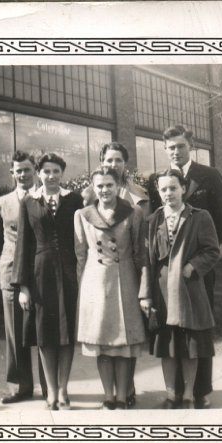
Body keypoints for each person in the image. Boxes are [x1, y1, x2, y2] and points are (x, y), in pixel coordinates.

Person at [148, 125, 222, 409]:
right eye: (170, 147)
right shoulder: (156, 181)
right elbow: (153, 227)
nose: (176, 151)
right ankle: (175, 392)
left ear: (190, 146)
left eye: (180, 146)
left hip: (197, 271)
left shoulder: (208, 176)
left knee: (198, 329)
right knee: (170, 332)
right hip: (165, 275)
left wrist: (196, 263)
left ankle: (200, 392)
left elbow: (220, 221)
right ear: (164, 149)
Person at [140, 169, 220, 409]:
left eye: (173, 188)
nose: (168, 193)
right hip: (162, 293)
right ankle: (171, 394)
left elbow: (212, 251)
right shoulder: (153, 219)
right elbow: (146, 259)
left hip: (189, 291)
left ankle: (187, 395)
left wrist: (192, 267)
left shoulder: (200, 216)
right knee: (166, 347)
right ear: (158, 192)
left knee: (189, 347)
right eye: (163, 189)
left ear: (183, 189)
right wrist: (145, 294)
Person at [12, 153, 84, 411]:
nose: (51, 176)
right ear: (38, 174)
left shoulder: (74, 200)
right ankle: (51, 392)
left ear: (62, 174)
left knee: (66, 334)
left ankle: (63, 390)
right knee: (44, 334)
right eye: (46, 171)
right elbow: (22, 245)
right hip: (40, 274)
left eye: (56, 171)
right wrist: (22, 286)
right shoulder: (29, 202)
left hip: (68, 274)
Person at [74, 167, 148, 410]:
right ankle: (108, 395)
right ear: (93, 188)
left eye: (109, 185)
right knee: (102, 343)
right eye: (100, 186)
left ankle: (122, 395)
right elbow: (80, 254)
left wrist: (143, 288)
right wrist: (81, 289)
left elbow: (139, 252)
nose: (104, 190)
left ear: (118, 187)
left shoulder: (133, 212)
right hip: (95, 281)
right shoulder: (83, 215)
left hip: (125, 278)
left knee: (124, 344)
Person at [0, 151, 47, 404]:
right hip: (12, 274)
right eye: (18, 170)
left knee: (45, 329)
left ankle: (50, 387)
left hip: (43, 273)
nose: (23, 174)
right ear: (12, 173)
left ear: (35, 170)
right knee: (15, 333)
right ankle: (19, 387)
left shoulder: (46, 198)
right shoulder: (1, 203)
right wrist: (11, 263)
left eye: (27, 169)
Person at [81, 142, 150, 215]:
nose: (114, 165)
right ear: (102, 163)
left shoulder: (140, 194)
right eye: (109, 160)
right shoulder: (88, 195)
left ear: (125, 163)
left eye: (118, 160)